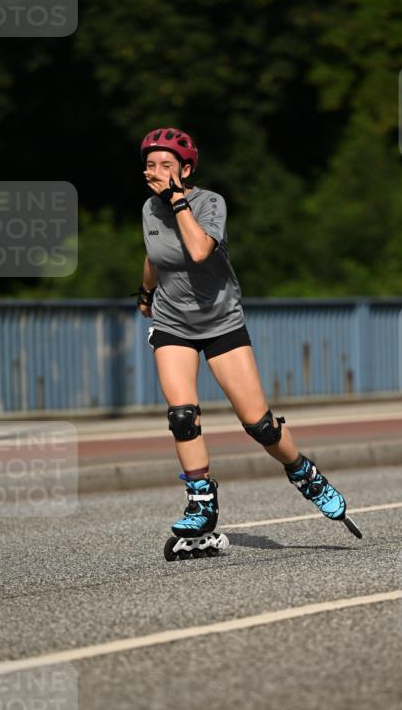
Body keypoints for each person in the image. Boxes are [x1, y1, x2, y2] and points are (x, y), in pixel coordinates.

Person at [136, 126, 361, 556]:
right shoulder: (148, 208)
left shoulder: (210, 203)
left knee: (258, 424)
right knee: (182, 416)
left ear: (186, 169)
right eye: (150, 164)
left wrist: (177, 199)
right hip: (173, 323)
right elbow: (153, 254)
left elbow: (199, 250)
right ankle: (201, 502)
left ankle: (304, 473)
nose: (156, 171)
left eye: (166, 164)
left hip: (221, 322)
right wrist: (146, 293)